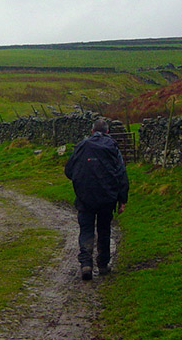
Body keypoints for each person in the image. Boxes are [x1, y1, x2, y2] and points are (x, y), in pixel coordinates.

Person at [64, 117, 129, 280]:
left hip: (85, 197)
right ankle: (103, 264)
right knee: (104, 229)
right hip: (107, 197)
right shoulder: (113, 147)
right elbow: (121, 173)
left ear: (92, 131)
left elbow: (68, 170)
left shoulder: (82, 145)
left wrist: (80, 181)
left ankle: (86, 264)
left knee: (86, 229)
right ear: (107, 132)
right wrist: (122, 199)